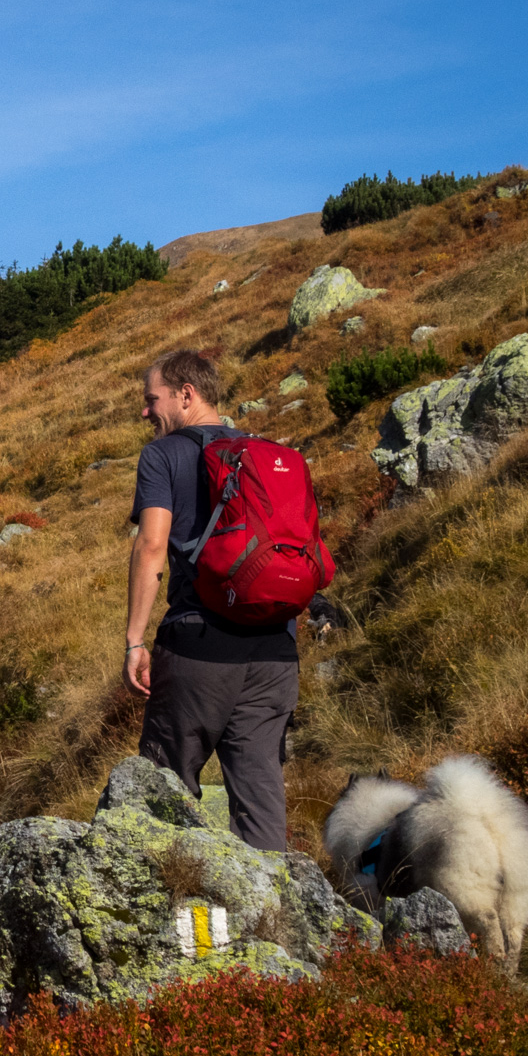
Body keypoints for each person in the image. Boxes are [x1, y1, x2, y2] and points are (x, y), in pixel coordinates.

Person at [123, 350, 297, 851]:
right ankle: (271, 919)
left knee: (163, 788)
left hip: (200, 647)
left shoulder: (164, 455)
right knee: (260, 794)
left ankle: (169, 919)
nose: (145, 412)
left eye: (150, 399)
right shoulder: (267, 453)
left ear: (186, 394)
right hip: (275, 651)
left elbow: (152, 546)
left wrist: (135, 641)